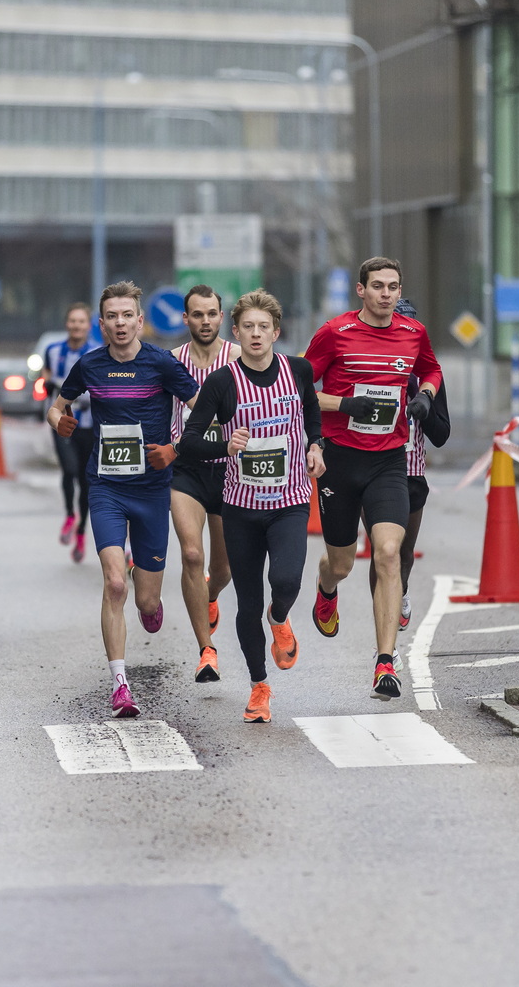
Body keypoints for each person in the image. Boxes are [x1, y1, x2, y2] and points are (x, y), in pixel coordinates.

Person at [45, 281, 199, 719]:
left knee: (146, 602)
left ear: (140, 321)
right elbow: (56, 406)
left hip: (152, 490)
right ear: (102, 324)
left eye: (127, 315)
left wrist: (175, 449)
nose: (120, 323)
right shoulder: (90, 364)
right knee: (115, 584)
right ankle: (120, 685)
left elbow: (202, 408)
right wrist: (59, 421)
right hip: (107, 487)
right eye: (111, 317)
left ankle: (148, 598)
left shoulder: (161, 363)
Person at [179, 290, 323, 723]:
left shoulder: (298, 370)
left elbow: (312, 412)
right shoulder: (221, 383)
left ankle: (280, 617)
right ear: (236, 332)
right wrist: (225, 446)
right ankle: (259, 687)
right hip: (240, 507)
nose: (256, 334)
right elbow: (188, 442)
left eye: (264, 327)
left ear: (276, 332)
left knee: (286, 580)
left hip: (289, 500)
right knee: (247, 602)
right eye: (248, 327)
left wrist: (316, 446)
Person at [305, 257, 443, 701]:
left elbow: (432, 369)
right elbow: (300, 388)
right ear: (361, 290)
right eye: (378, 286)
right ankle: (327, 587)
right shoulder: (335, 332)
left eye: (393, 287)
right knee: (342, 563)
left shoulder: (413, 332)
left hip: (389, 461)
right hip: (341, 461)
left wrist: (425, 396)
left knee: (388, 554)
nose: (386, 294)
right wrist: (344, 405)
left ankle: (385, 661)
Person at [168, 285, 240, 684]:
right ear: (186, 319)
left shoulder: (239, 358)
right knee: (192, 555)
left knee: (222, 569)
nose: (206, 321)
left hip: (230, 471)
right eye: (197, 314)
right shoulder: (172, 362)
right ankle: (206, 651)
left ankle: (210, 595)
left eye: (212, 314)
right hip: (187, 471)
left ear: (221, 316)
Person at [365, 299, 452, 629]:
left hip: (411, 474)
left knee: (403, 553)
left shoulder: (427, 375)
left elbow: (441, 435)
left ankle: (399, 590)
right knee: (382, 551)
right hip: (373, 470)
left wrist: (424, 407)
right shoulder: (366, 366)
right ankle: (384, 631)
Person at [43, 304, 100, 563]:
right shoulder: (53, 350)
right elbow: (45, 377)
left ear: (89, 326)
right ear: (67, 324)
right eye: (73, 321)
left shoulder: (97, 352)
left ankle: (80, 532)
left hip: (88, 424)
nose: (76, 325)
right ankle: (69, 515)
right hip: (61, 422)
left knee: (86, 480)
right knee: (69, 469)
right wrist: (49, 385)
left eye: (81, 321)